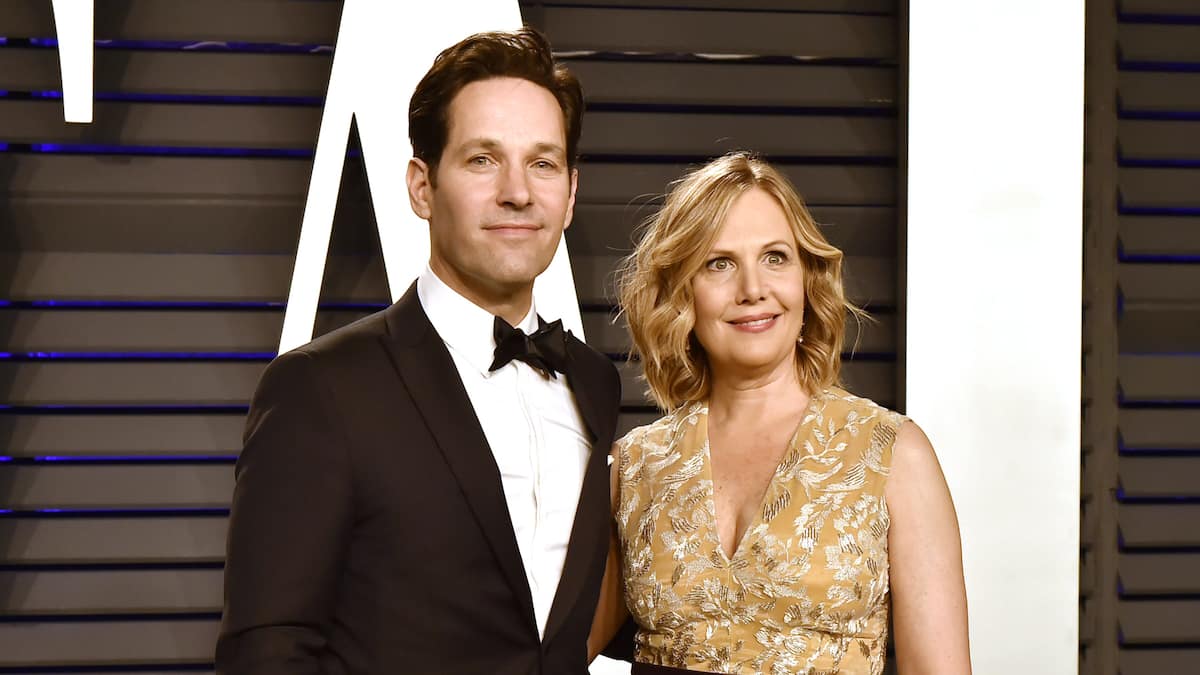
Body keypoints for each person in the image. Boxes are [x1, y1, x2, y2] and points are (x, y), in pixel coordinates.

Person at [216, 28, 623, 675]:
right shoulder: (319, 388)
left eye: (542, 163)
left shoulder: (594, 383)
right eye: (483, 159)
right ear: (421, 186)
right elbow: (267, 652)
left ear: (570, 194)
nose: (518, 191)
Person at [589, 152, 971, 674]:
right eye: (719, 263)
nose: (753, 290)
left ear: (807, 278)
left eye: (775, 257)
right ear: (682, 291)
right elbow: (549, 654)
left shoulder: (893, 453)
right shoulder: (635, 467)